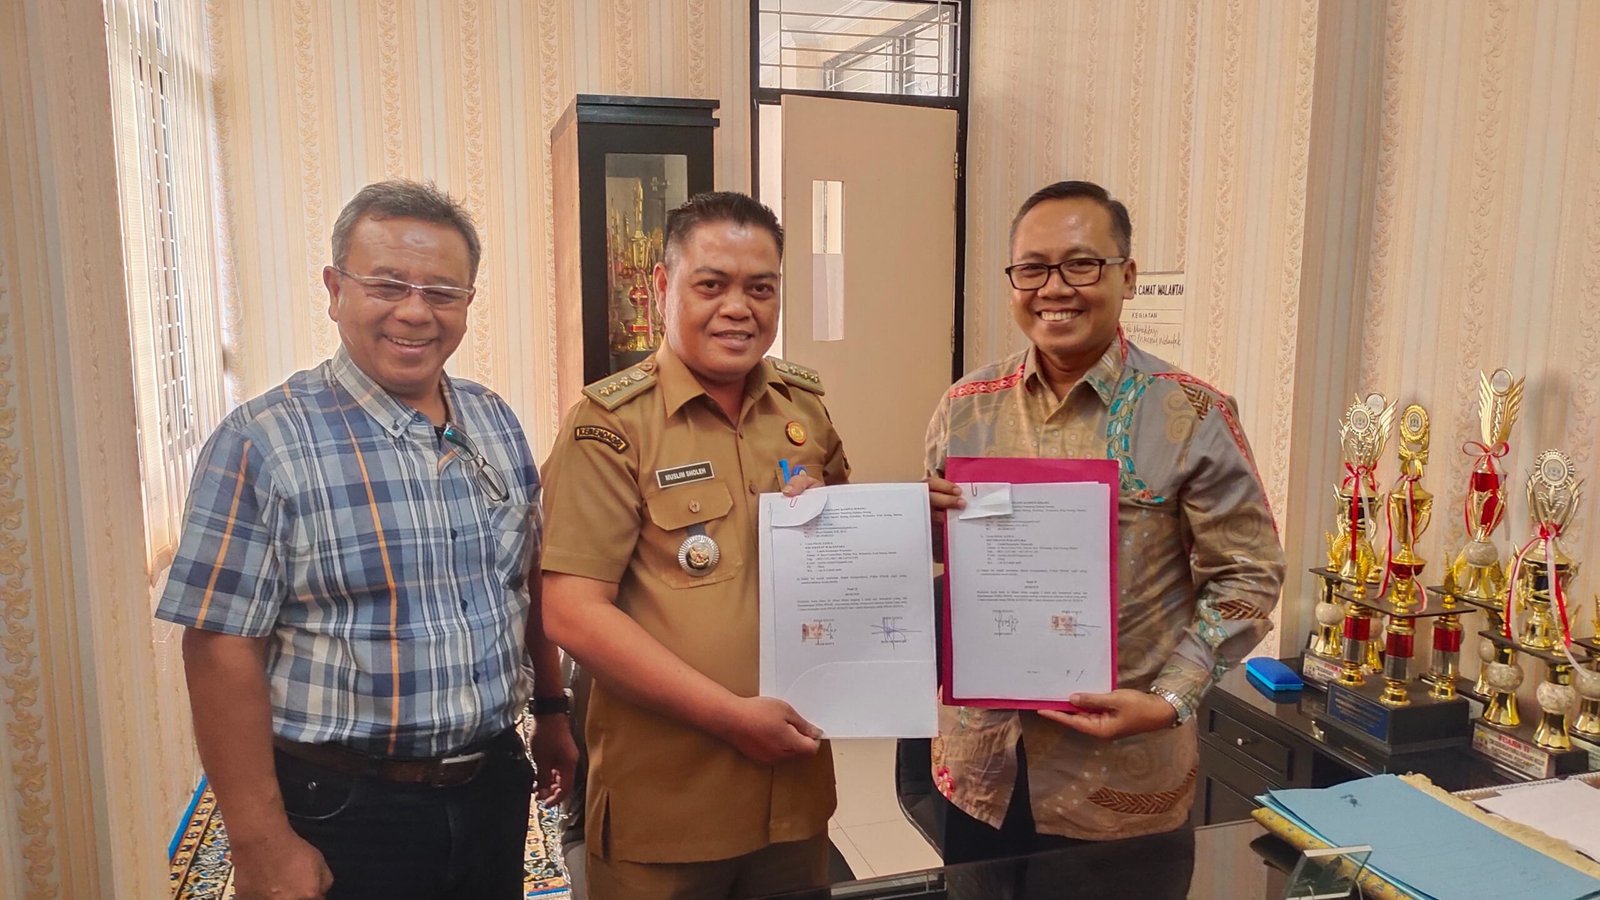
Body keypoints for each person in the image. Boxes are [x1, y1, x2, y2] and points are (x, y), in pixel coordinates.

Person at [157, 180, 577, 900]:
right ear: (335, 289)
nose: (414, 311)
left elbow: (526, 582)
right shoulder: (262, 443)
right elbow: (221, 647)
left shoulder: (494, 421)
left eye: (442, 292)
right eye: (386, 285)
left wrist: (551, 709)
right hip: (342, 805)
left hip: (492, 787)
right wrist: (259, 841)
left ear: (468, 303)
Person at [925, 180, 1285, 869]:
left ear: (1128, 276)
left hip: (1122, 781)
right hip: (983, 770)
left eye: (1081, 264)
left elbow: (1248, 574)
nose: (1054, 288)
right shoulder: (966, 406)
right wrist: (915, 526)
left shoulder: (1191, 414)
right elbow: (951, 564)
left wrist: (1171, 699)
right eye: (1032, 269)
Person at [540, 191, 849, 900]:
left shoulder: (803, 410)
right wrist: (731, 719)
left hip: (794, 790)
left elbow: (844, 557)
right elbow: (573, 613)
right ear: (662, 285)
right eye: (712, 285)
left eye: (760, 289)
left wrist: (909, 522)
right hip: (668, 805)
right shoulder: (610, 426)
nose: (738, 309)